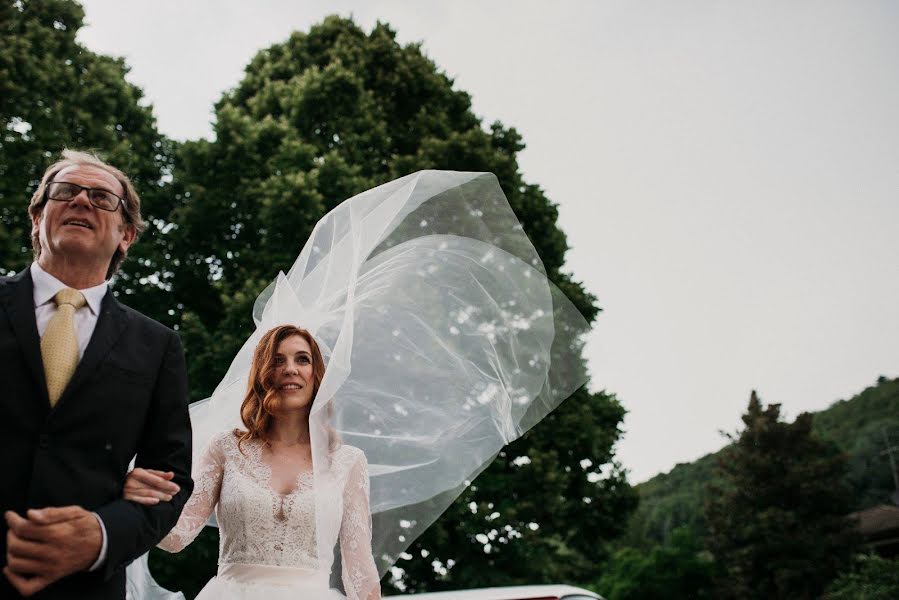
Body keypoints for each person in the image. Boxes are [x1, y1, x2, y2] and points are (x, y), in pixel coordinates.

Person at [0, 150, 194, 599]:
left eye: (102, 198)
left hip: (85, 588)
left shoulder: (157, 345)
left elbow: (171, 480)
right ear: (36, 218)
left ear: (126, 235)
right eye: (65, 192)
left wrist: (103, 534)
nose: (82, 201)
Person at [123, 325, 379, 600]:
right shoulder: (226, 448)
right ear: (262, 374)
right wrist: (137, 498)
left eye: (302, 359)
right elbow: (177, 537)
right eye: (277, 360)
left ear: (317, 376)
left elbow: (359, 570)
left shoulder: (348, 461)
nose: (290, 369)